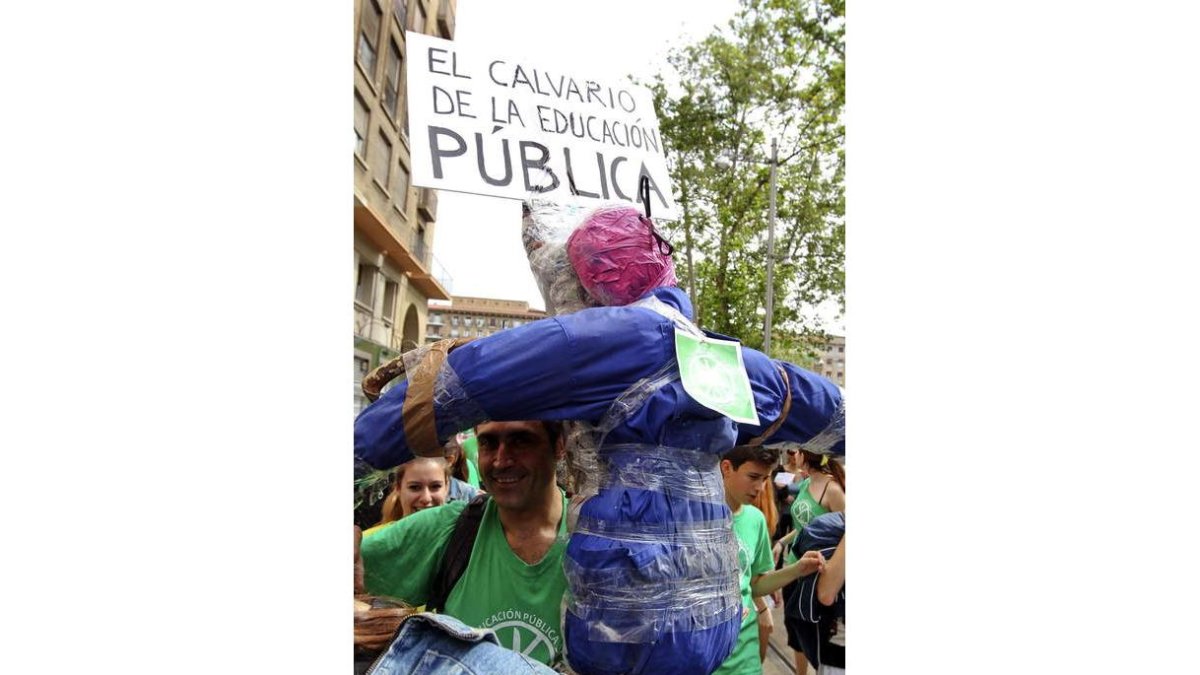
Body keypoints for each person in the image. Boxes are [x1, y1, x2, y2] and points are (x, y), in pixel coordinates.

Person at [355, 201, 845, 675]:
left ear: (590, 280)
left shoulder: (594, 341)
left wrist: (357, 452)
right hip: (714, 620)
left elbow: (460, 385)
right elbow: (824, 409)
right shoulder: (728, 360)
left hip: (621, 624)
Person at [358, 420, 569, 669]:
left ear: (559, 446)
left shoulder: (595, 542)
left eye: (521, 440)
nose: (501, 461)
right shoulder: (450, 527)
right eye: (488, 443)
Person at [714, 445, 827, 675]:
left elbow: (754, 583)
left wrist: (796, 569)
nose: (760, 488)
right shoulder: (695, 520)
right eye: (753, 477)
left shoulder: (755, 519)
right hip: (705, 656)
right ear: (727, 468)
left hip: (744, 656)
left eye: (765, 479)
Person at [773, 451, 845, 674]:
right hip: (794, 568)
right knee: (794, 630)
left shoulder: (832, 489)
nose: (794, 455)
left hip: (817, 577)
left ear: (805, 456)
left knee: (813, 633)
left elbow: (845, 531)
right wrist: (782, 542)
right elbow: (804, 525)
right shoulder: (806, 483)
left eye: (797, 452)